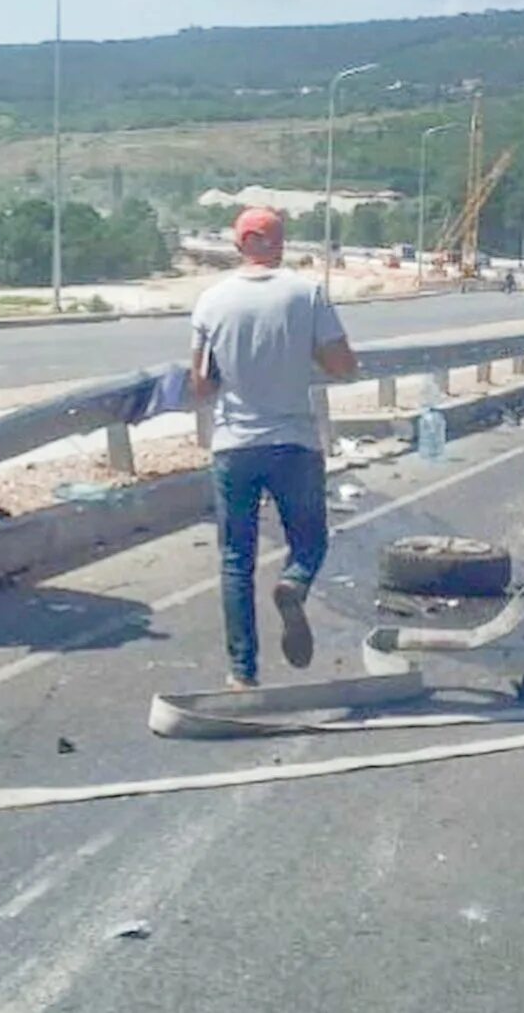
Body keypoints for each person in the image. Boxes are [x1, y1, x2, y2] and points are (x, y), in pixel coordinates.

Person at [188, 207, 358, 688]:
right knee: (309, 541)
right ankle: (294, 583)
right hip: (294, 444)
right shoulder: (307, 294)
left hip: (234, 446)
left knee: (235, 561)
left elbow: (200, 385)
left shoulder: (210, 301)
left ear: (239, 243)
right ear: (280, 244)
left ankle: (243, 674)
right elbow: (344, 365)